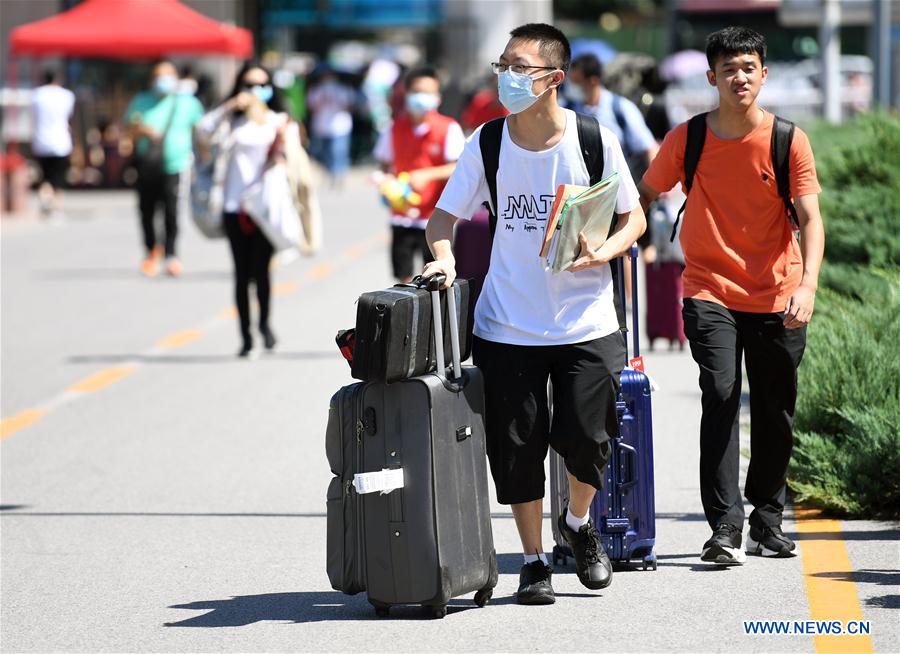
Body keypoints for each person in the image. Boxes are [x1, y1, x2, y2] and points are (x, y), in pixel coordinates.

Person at [424, 24, 646, 604]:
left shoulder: (592, 138)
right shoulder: (488, 143)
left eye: (519, 66)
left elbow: (635, 219)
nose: (506, 76)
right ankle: (532, 561)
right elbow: (442, 220)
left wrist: (605, 249)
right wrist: (444, 260)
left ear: (554, 77)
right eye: (503, 64)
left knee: (589, 438)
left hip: (588, 321)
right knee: (517, 447)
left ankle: (576, 524)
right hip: (506, 324)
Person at [638, 27, 824, 565]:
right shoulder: (688, 138)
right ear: (711, 78)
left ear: (763, 74)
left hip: (779, 292)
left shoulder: (789, 139)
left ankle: (767, 520)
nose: (739, 77)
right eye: (728, 69)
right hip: (708, 288)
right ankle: (723, 527)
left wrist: (808, 285)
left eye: (748, 67)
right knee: (720, 394)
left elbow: (811, 219)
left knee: (774, 409)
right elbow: (645, 193)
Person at [196, 62, 320, 358]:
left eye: (262, 85)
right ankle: (246, 336)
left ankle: (264, 324)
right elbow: (202, 132)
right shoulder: (230, 122)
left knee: (262, 271)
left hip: (266, 207)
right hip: (233, 205)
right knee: (241, 274)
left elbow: (295, 157)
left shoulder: (280, 121)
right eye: (249, 85)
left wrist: (281, 155)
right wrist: (228, 107)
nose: (255, 91)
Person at [566, 53, 658, 304]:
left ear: (593, 80)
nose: (573, 89)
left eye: (579, 83)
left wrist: (655, 187)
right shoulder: (572, 109)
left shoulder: (620, 107)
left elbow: (648, 147)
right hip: (587, 193)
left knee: (625, 243)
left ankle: (629, 305)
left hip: (620, 190)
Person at [373, 66, 465, 283]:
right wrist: (384, 179)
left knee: (437, 279)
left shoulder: (448, 128)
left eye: (428, 92)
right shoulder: (394, 127)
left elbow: (460, 168)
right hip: (401, 216)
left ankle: (435, 318)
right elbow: (385, 163)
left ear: (437, 97)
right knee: (402, 277)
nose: (421, 98)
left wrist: (428, 175)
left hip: (435, 220)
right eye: (416, 91)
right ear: (406, 94)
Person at [125, 60, 203, 277]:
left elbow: (201, 131)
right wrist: (142, 131)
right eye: (159, 76)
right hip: (147, 164)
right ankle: (151, 251)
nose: (163, 81)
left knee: (172, 211)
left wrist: (204, 161)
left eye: (167, 76)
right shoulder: (141, 101)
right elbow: (128, 130)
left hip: (176, 164)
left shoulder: (187, 103)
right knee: (147, 212)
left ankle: (171, 254)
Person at [31, 69, 75, 220]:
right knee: (58, 178)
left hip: (41, 141)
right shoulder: (67, 95)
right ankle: (56, 209)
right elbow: (68, 118)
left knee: (45, 177)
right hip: (61, 142)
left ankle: (44, 200)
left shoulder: (36, 95)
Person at [306, 69, 355, 187]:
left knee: (339, 152)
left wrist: (335, 100)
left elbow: (350, 105)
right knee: (325, 153)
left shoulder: (343, 89)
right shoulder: (316, 90)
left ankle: (339, 175)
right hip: (322, 127)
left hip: (340, 127)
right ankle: (329, 174)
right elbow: (310, 107)